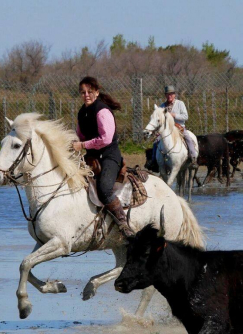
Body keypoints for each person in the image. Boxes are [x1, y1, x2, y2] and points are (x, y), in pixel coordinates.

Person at [72, 76, 135, 238]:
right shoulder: (82, 112)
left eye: (89, 92)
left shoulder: (102, 111)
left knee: (104, 189)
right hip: (92, 158)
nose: (86, 95)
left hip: (109, 156)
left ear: (97, 92)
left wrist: (83, 145)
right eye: (83, 92)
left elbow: (105, 138)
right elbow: (79, 135)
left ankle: (122, 223)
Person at [150, 85, 198, 170]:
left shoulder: (180, 104)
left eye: (171, 94)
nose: (169, 96)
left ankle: (193, 158)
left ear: (174, 95)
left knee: (188, 138)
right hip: (166, 130)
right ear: (165, 95)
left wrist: (173, 115)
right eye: (168, 94)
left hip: (179, 127)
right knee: (156, 141)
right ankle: (154, 161)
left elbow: (185, 116)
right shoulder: (162, 106)